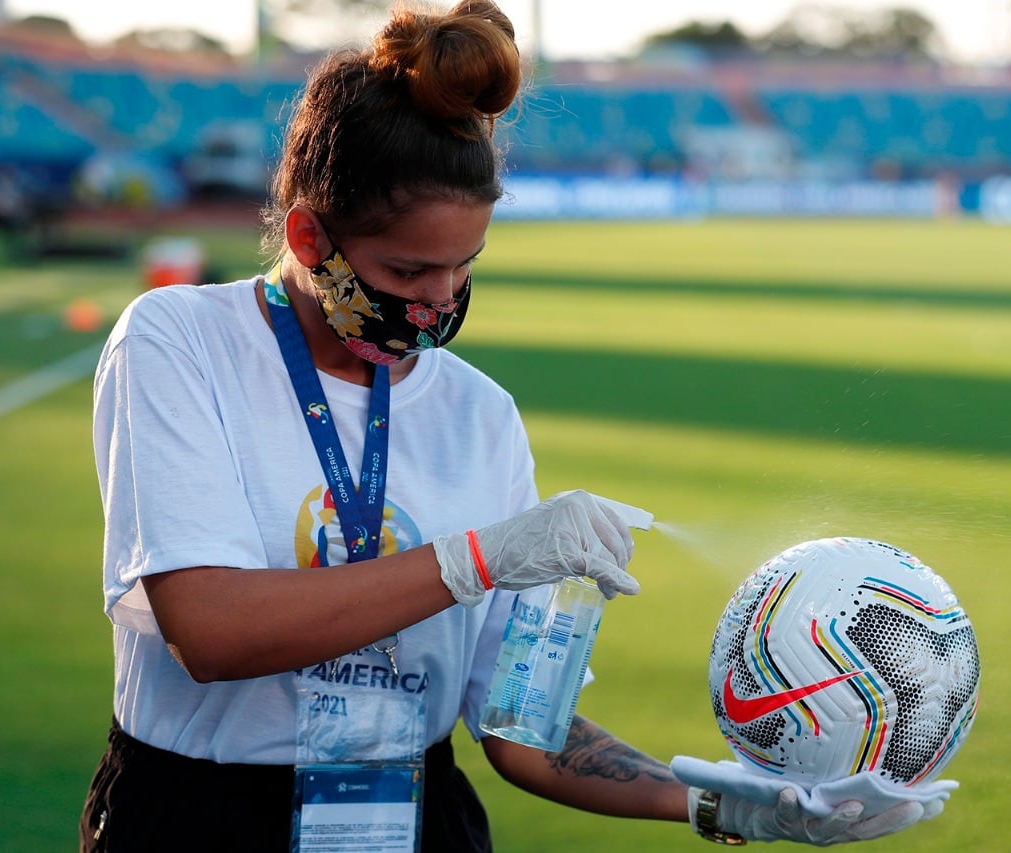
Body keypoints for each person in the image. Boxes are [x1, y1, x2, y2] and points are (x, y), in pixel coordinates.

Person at [79, 2, 953, 850]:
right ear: (309, 236)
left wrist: (729, 803)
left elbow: (521, 727)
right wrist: (475, 560)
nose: (437, 305)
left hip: (416, 815)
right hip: (200, 815)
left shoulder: (479, 413)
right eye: (409, 269)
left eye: (464, 268)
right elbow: (211, 631)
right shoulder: (180, 340)